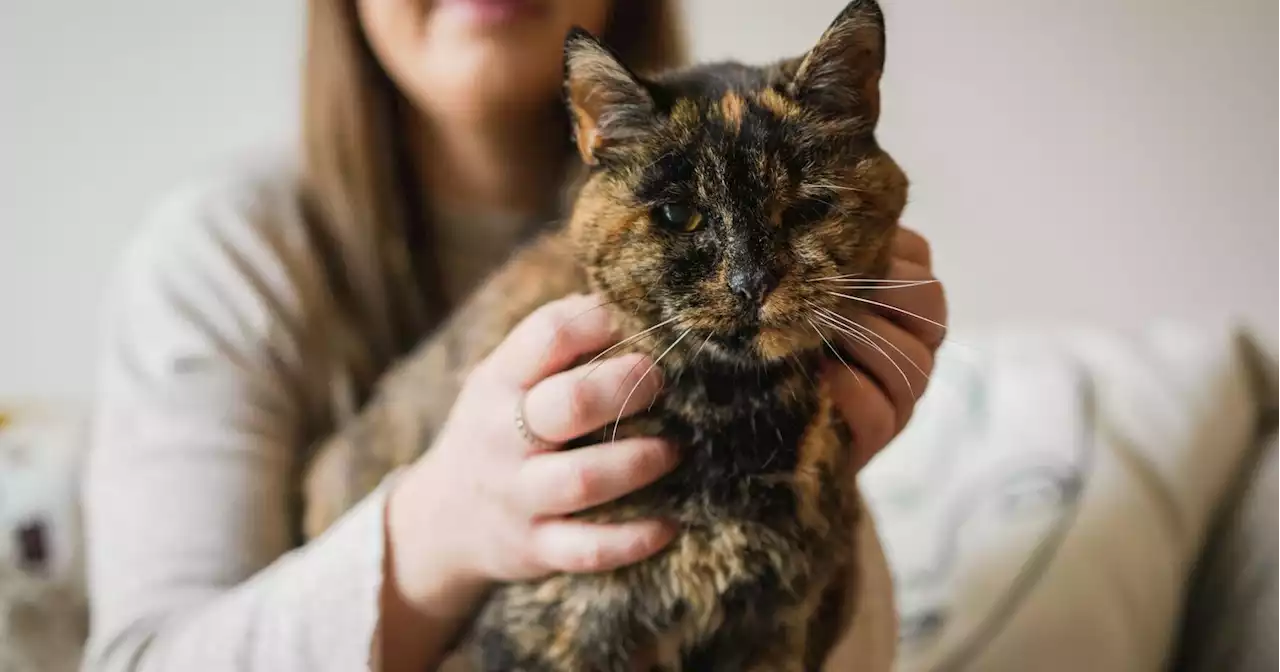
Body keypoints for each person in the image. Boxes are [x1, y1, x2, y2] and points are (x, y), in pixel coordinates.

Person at [80, 0, 948, 670]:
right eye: (678, 216)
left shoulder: (804, 249)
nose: (750, 278)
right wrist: (434, 529)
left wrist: (825, 483)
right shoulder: (226, 255)